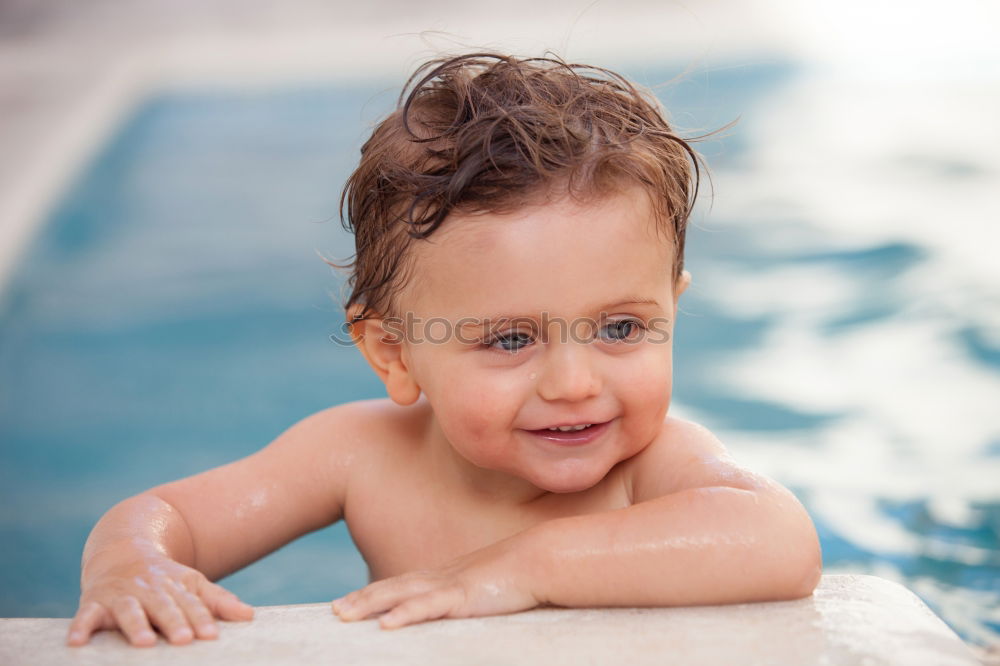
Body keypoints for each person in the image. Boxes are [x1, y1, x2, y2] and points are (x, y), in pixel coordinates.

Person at [66, 51, 822, 648]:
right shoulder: (360, 457)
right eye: (512, 338)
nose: (573, 383)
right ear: (393, 353)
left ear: (673, 312)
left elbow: (780, 541)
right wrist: (132, 564)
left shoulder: (654, 470)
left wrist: (532, 566)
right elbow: (165, 514)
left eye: (621, 328)